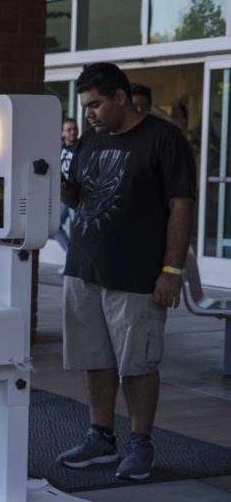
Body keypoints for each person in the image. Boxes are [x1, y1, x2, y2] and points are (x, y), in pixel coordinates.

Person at [58, 63, 196, 480]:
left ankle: (141, 443)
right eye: (84, 107)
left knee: (137, 364)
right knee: (94, 358)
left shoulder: (163, 139)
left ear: (121, 97)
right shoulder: (88, 142)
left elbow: (181, 206)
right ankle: (100, 436)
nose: (89, 114)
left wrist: (171, 270)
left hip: (137, 274)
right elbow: (77, 197)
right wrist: (43, 174)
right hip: (83, 268)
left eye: (95, 104)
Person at [55, 118, 79, 257]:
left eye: (75, 129)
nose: (73, 132)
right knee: (53, 227)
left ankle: (76, 262)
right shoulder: (59, 147)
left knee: (79, 231)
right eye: (69, 129)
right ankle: (70, 256)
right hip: (63, 195)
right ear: (62, 133)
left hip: (76, 195)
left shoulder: (81, 147)